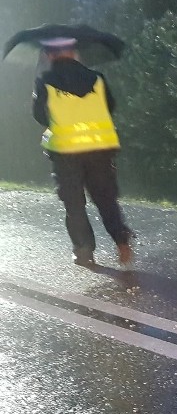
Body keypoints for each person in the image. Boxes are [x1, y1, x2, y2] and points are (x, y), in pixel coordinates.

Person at [32, 38, 133, 267]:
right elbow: (110, 106)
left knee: (74, 203)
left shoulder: (46, 81)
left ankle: (84, 250)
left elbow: (39, 116)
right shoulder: (97, 79)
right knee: (106, 199)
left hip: (66, 152)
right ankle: (121, 241)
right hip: (100, 149)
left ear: (49, 56)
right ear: (74, 53)